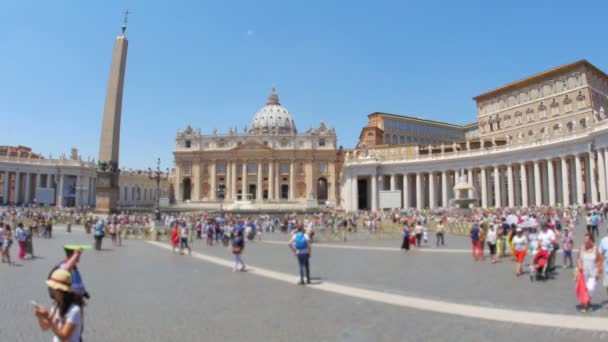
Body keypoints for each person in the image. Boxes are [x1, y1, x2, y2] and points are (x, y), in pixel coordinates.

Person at [34, 269, 84, 341]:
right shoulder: (56, 305)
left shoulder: (74, 310)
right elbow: (45, 327)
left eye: (52, 288)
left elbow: (64, 337)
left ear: (61, 291)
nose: (50, 290)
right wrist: (40, 317)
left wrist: (48, 317)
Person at [577, 233, 603, 312]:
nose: (585, 241)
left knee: (590, 289)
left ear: (591, 240)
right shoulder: (581, 248)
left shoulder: (595, 249)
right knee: (584, 290)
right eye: (585, 239)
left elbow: (599, 261)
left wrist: (598, 272)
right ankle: (585, 305)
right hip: (583, 274)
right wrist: (579, 265)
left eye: (587, 239)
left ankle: (587, 302)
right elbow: (578, 258)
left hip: (593, 273)